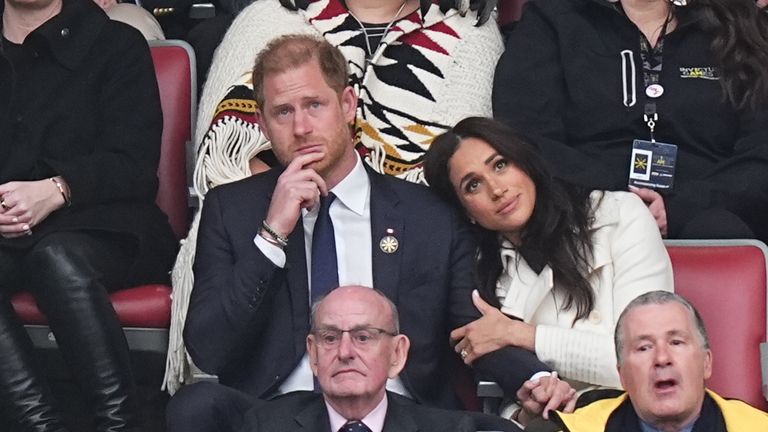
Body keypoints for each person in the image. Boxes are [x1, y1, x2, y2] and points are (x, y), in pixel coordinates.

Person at [166, 35, 541, 432]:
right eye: (282, 112)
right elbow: (208, 349)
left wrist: (532, 379)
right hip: (278, 418)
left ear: (347, 105)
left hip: (400, 415)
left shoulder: (427, 213)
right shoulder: (233, 209)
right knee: (195, 406)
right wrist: (272, 234)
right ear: (262, 124)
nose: (301, 128)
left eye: (314, 105)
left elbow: (471, 325)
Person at [423, 117, 674, 423]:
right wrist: (527, 410)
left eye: (500, 165)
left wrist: (520, 335)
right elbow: (505, 402)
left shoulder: (620, 215)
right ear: (467, 212)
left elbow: (647, 360)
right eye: (473, 185)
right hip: (561, 423)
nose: (497, 189)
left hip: (651, 416)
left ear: (525, 163)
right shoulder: (481, 275)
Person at [0, 0, 177, 429]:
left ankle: (120, 424)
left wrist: (59, 189)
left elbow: (134, 166)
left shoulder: (115, 43)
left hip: (107, 222)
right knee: (47, 255)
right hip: (9, 229)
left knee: (56, 258)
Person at [493, 0, 768, 243]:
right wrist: (621, 201)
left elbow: (760, 151)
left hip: (710, 212)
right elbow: (526, 136)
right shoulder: (554, 18)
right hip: (589, 207)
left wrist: (680, 208)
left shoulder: (735, 21)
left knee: (717, 230)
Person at [240, 285, 480, 432]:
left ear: (397, 354)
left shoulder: (448, 430)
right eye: (330, 338)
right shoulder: (266, 426)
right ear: (313, 354)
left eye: (363, 337)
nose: (345, 353)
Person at [547, 290, 768, 431]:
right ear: (622, 375)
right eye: (644, 348)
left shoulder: (756, 427)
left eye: (676, 342)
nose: (662, 358)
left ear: (706, 363)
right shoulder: (580, 429)